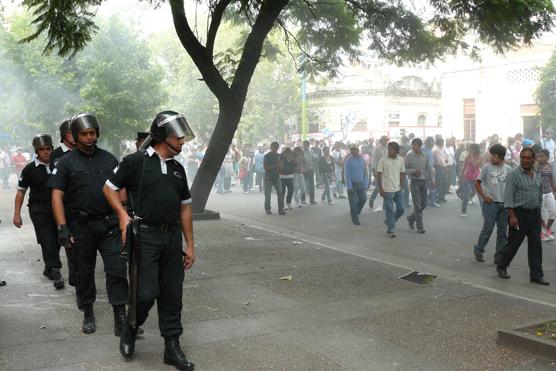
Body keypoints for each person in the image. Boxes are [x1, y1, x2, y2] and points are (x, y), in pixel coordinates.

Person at [104, 111, 195, 370]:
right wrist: (122, 216)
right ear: (162, 137)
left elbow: (185, 208)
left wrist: (190, 245)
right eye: (178, 138)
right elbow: (108, 188)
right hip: (145, 236)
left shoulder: (178, 169)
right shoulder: (136, 161)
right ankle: (131, 328)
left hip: (171, 237)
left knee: (172, 293)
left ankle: (172, 347)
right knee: (145, 294)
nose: (182, 142)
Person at [47, 113, 129, 334]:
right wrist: (62, 227)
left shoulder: (109, 159)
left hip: (109, 225)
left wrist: (125, 215)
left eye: (92, 133)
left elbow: (120, 189)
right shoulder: (65, 162)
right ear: (75, 136)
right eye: (84, 133)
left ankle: (120, 316)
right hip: (80, 227)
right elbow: (56, 196)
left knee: (117, 269)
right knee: (84, 272)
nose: (89, 137)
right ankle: (88, 312)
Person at [13, 134, 64, 290]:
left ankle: (49, 267)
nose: (46, 152)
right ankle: (56, 271)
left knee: (57, 240)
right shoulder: (29, 169)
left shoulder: (60, 166)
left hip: (58, 208)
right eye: (42, 149)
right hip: (39, 209)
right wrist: (17, 214)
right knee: (47, 239)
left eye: (48, 149)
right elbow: (21, 192)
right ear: (36, 151)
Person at [496, 148, 549, 285]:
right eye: (523, 158)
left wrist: (540, 215)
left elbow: (539, 194)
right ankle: (502, 266)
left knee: (536, 246)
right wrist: (512, 216)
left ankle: (536, 275)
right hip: (519, 214)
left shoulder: (537, 173)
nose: (525, 160)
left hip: (534, 214)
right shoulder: (513, 174)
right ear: (520, 159)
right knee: (514, 243)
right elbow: (508, 197)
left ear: (533, 159)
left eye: (528, 158)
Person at [49, 118, 77, 286]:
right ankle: (74, 276)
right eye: (70, 133)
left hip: (83, 203)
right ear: (64, 135)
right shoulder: (57, 155)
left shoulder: (85, 152)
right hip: (65, 205)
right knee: (70, 243)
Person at [473, 144, 511, 263]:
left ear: (500, 157)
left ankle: (499, 257)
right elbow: (477, 183)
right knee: (487, 230)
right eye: (491, 155)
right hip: (491, 204)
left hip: (504, 205)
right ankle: (479, 250)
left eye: (493, 155)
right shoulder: (486, 167)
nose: (491, 158)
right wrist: (484, 197)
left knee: (502, 233)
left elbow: (510, 187)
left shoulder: (508, 169)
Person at [405, 138, 434, 234]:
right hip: (414, 182)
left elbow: (429, 168)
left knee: (424, 204)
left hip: (424, 181)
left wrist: (433, 180)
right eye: (412, 145)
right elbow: (404, 169)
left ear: (420, 145)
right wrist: (413, 171)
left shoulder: (425, 155)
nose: (413, 147)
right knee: (417, 205)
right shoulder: (409, 156)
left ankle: (411, 218)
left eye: (415, 145)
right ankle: (420, 227)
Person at [377, 142, 406, 237]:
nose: (389, 151)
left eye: (391, 149)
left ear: (396, 150)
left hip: (397, 189)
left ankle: (390, 221)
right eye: (388, 149)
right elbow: (379, 174)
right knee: (389, 210)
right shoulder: (383, 160)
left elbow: (402, 173)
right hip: (387, 189)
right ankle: (391, 230)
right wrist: (381, 189)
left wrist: (401, 186)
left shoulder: (401, 160)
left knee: (401, 209)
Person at [344, 144, 368, 225]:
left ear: (358, 150)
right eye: (352, 150)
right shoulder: (348, 160)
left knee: (363, 199)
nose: (353, 151)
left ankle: (356, 212)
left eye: (355, 150)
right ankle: (355, 219)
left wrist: (366, 183)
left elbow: (365, 172)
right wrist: (349, 186)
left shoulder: (362, 160)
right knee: (353, 202)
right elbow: (347, 174)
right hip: (352, 184)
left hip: (361, 183)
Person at [537, 149, 556, 241]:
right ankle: (540, 233)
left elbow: (552, 179)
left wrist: (554, 191)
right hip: (539, 194)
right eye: (539, 156)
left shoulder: (550, 165)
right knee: (542, 215)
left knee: (553, 212)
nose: (540, 158)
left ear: (547, 157)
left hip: (549, 192)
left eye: (542, 156)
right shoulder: (536, 166)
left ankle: (546, 230)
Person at [460, 143, 482, 217]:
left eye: (472, 148)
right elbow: (464, 167)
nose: (470, 150)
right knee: (466, 194)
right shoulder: (467, 157)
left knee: (480, 196)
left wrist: (471, 156)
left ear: (476, 149)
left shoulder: (480, 157)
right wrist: (460, 176)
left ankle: (484, 212)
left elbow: (475, 164)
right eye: (470, 148)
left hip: (476, 178)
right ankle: (463, 211)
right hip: (467, 178)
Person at [264, 142, 285, 215]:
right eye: (274, 147)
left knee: (280, 193)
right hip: (268, 176)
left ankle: (281, 209)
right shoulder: (267, 156)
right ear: (271, 147)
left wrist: (281, 166)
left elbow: (281, 167)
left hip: (276, 176)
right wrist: (275, 166)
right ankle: (267, 209)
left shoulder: (278, 155)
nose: (275, 148)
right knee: (268, 194)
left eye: (277, 147)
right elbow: (265, 167)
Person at [368, 136, 388, 210]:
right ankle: (372, 199)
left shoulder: (386, 149)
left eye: (386, 140)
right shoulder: (377, 149)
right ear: (381, 141)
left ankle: (385, 206)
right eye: (384, 140)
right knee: (379, 187)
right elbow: (374, 160)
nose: (386, 142)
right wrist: (373, 170)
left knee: (385, 187)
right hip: (378, 170)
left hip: (386, 171)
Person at [432, 137, 448, 203]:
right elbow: (440, 162)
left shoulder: (439, 149)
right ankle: (436, 197)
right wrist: (445, 165)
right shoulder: (436, 150)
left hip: (441, 167)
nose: (443, 144)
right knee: (439, 183)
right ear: (441, 142)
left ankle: (440, 196)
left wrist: (445, 161)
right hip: (439, 168)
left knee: (444, 182)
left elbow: (444, 158)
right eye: (443, 142)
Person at [302, 140, 317, 204]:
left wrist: (313, 167)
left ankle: (312, 200)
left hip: (310, 170)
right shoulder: (301, 152)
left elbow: (314, 160)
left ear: (309, 145)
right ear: (303, 145)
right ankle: (303, 200)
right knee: (303, 185)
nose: (306, 146)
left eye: (307, 145)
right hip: (303, 171)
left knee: (311, 186)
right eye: (305, 145)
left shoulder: (312, 152)